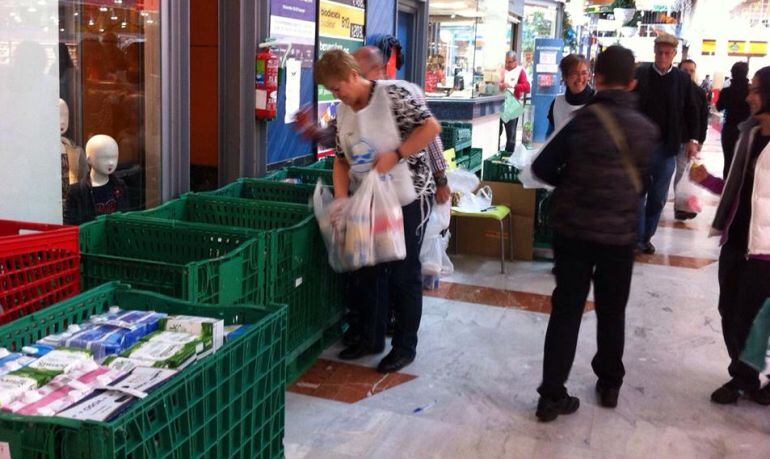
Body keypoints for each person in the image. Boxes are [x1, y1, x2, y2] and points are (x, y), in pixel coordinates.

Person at [531, 46, 659, 422]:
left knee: (566, 311)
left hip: (572, 233)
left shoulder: (582, 121)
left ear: (597, 78)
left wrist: (569, 182)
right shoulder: (646, 130)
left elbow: (542, 167)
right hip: (619, 237)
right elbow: (647, 184)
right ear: (632, 83)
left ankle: (551, 395)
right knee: (612, 311)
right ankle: (609, 384)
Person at [313, 49, 440, 373]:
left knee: (402, 273)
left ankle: (404, 346)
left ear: (354, 76)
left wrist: (397, 154)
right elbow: (341, 159)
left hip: (408, 195)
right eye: (331, 91)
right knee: (367, 268)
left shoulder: (394, 95)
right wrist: (341, 199)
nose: (336, 94)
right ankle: (370, 338)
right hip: (366, 200)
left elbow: (430, 128)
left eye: (337, 87)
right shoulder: (342, 112)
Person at [689, 66, 770, 406]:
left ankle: (746, 378)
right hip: (736, 239)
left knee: (755, 319)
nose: (748, 95)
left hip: (765, 249)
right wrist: (706, 179)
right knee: (729, 311)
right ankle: (745, 376)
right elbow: (737, 190)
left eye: (755, 89)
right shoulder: (748, 135)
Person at [633, 33, 699, 254]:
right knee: (637, 194)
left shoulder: (681, 79)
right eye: (659, 51)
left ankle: (646, 236)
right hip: (640, 148)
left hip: (666, 148)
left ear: (673, 54)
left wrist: (693, 140)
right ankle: (637, 238)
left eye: (667, 53)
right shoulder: (640, 74)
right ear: (654, 51)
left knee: (658, 197)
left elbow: (692, 110)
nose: (662, 56)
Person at [673, 59, 709, 220]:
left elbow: (703, 117)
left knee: (683, 173)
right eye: (685, 70)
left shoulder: (699, 92)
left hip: (687, 140)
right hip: (670, 138)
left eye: (691, 71)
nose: (688, 74)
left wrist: (699, 139)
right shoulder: (672, 89)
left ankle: (681, 206)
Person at [716, 62, 751, 179]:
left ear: (732, 73)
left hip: (729, 129)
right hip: (748, 130)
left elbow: (719, 107)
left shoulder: (727, 91)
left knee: (728, 160)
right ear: (746, 73)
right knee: (746, 162)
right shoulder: (751, 91)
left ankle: (727, 189)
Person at [546, 54, 595, 137]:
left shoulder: (598, 101)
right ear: (565, 77)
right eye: (575, 73)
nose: (580, 78)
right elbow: (550, 137)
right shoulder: (557, 103)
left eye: (584, 73)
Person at [499, 51, 530, 152]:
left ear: (515, 62)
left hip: (512, 105)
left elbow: (527, 87)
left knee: (510, 136)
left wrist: (513, 85)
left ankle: (509, 157)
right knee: (497, 132)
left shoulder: (520, 71)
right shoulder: (502, 70)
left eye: (510, 62)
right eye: (506, 62)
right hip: (500, 104)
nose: (507, 64)